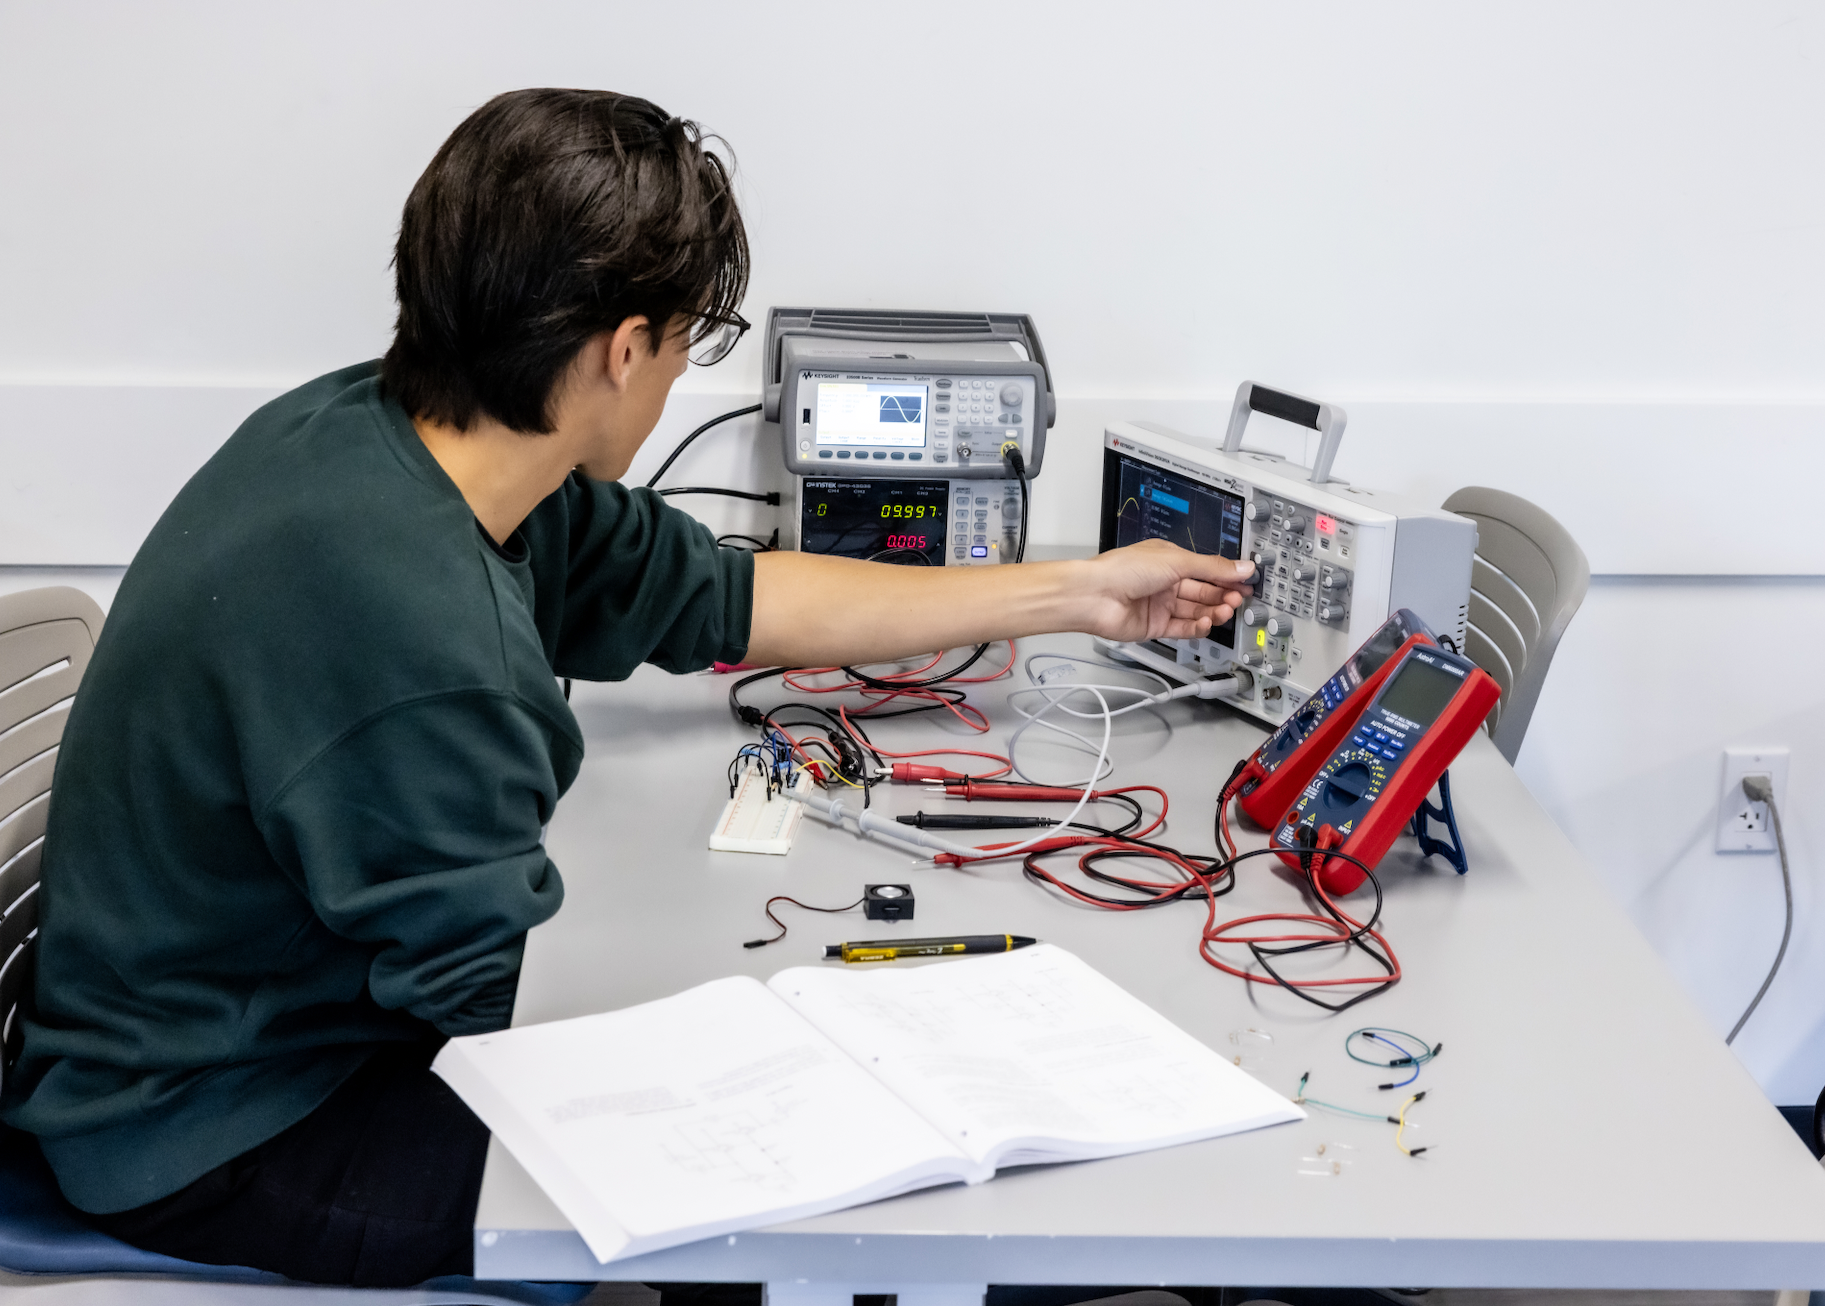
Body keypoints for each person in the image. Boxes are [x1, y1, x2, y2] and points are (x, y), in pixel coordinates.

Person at [0, 88, 1253, 1288]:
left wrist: (1077, 592)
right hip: (226, 1128)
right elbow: (499, 1014)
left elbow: (735, 596)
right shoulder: (423, 637)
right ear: (623, 349)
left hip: (238, 1039)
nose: (670, 383)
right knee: (779, 1189)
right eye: (680, 346)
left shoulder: (389, 439)